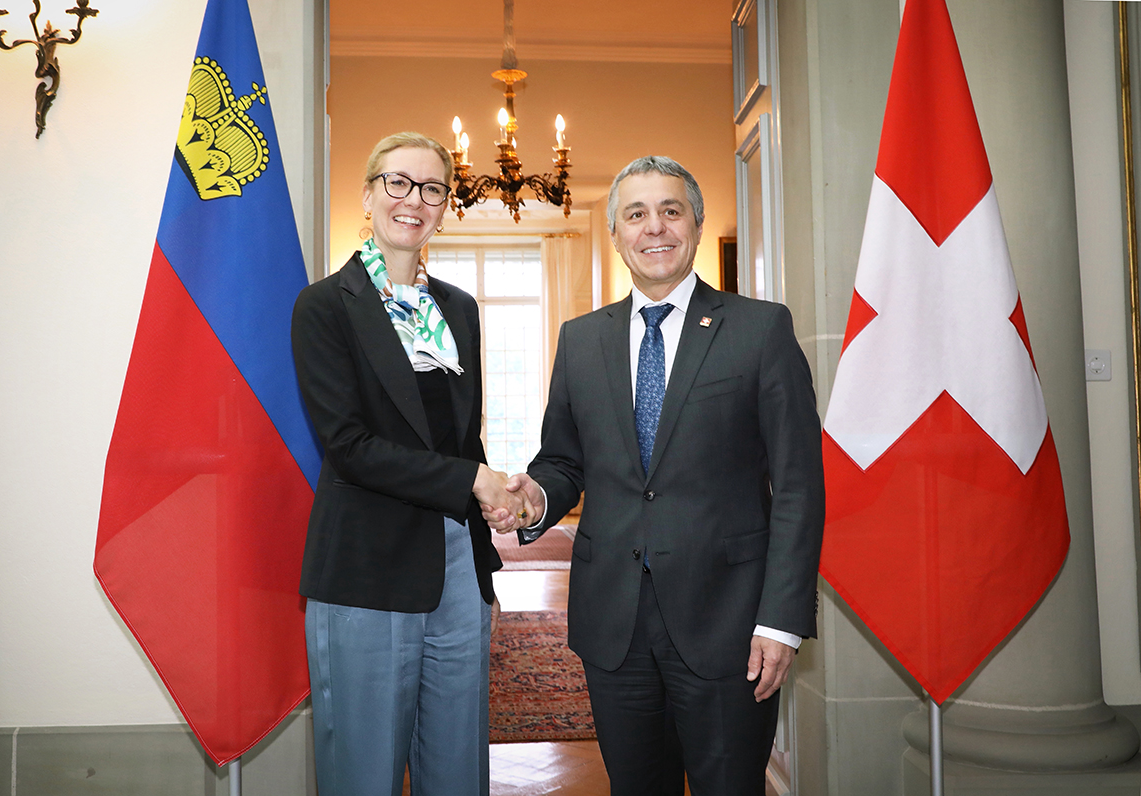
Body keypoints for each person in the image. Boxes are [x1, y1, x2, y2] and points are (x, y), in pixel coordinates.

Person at [484, 156, 825, 795]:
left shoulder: (759, 329)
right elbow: (563, 460)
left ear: (695, 225)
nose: (654, 227)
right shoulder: (581, 339)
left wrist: (781, 620)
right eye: (636, 214)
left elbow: (800, 486)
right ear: (615, 233)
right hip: (613, 625)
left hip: (731, 624)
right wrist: (533, 499)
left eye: (671, 210)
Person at [291, 131, 532, 796]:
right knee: (363, 771)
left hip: (457, 559)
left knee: (457, 768)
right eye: (398, 182)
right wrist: (469, 480)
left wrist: (497, 494)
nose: (413, 199)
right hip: (367, 565)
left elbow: (463, 440)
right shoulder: (323, 307)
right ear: (368, 195)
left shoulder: (458, 309)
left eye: (432, 188)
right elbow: (348, 446)